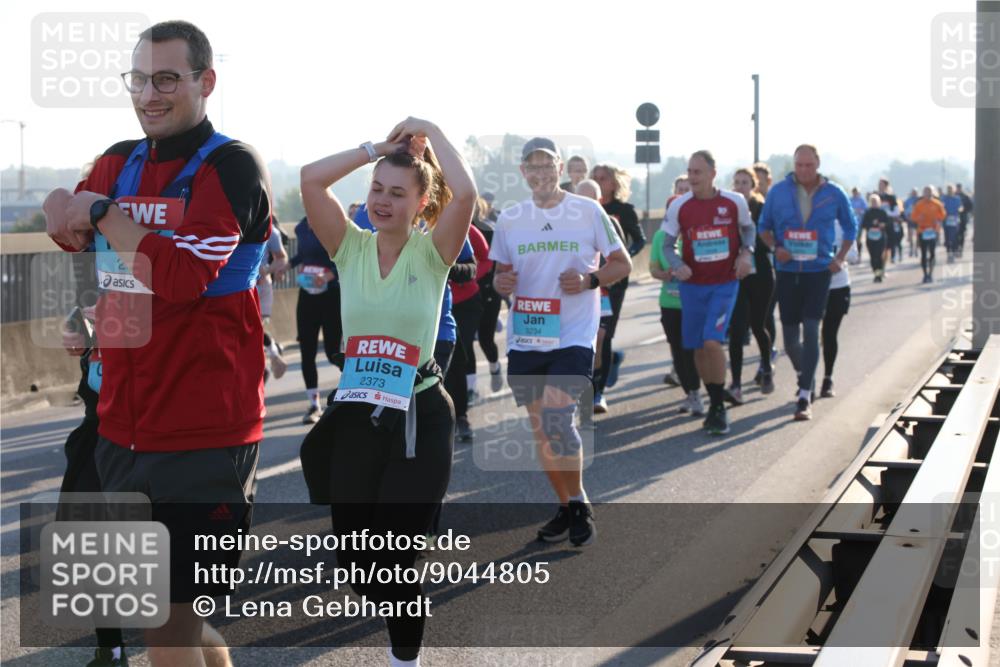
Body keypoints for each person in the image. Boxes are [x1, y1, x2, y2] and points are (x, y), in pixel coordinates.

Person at [43, 20, 268, 667]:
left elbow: (180, 277)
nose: (150, 93)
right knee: (175, 626)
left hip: (204, 438)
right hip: (121, 429)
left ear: (205, 82)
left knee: (166, 626)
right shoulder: (120, 160)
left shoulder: (231, 166)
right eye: (139, 78)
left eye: (167, 78)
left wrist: (101, 213)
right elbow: (80, 238)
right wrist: (69, 211)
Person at [299, 117, 476, 667]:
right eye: (377, 188)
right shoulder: (348, 248)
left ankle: (406, 659)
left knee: (397, 559)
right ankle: (402, 607)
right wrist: (376, 149)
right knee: (356, 561)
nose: (382, 200)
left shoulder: (433, 254)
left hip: (419, 414)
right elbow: (309, 180)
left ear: (422, 205)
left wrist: (428, 128)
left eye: (398, 193)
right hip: (356, 415)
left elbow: (464, 192)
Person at [491, 137, 631, 546]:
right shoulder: (511, 218)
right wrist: (501, 283)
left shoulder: (587, 211)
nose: (539, 173)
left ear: (559, 168)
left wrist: (590, 280)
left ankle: (579, 502)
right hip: (528, 334)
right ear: (523, 173)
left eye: (546, 165)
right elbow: (501, 276)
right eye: (531, 167)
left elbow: (620, 264)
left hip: (572, 333)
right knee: (542, 432)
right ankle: (568, 505)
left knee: (557, 417)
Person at [758, 144, 857, 421]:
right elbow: (763, 227)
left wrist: (840, 257)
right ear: (794, 165)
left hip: (818, 271)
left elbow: (851, 227)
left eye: (809, 165)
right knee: (790, 340)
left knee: (812, 328)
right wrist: (776, 247)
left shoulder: (834, 193)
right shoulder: (778, 191)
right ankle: (808, 376)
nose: (804, 170)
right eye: (799, 165)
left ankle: (803, 396)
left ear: (818, 165)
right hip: (788, 270)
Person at [660, 150, 755, 435]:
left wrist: (746, 253)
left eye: (697, 172)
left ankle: (718, 406)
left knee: (712, 342)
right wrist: (677, 265)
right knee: (698, 347)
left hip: (724, 284)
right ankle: (715, 402)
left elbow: (748, 230)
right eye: (689, 172)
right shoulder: (681, 206)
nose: (692, 178)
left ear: (713, 173)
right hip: (692, 287)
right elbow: (666, 245)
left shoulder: (734, 202)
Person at [591, 162, 645, 413]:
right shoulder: (584, 210)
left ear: (614, 183)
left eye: (604, 178)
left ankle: (597, 393)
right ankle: (608, 361)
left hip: (613, 283)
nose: (600, 182)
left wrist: (623, 259)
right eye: (596, 178)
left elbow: (639, 240)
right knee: (590, 337)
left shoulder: (622, 211)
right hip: (587, 281)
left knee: (603, 335)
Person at [725, 167, 776, 404]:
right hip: (737, 274)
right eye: (736, 182)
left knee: (758, 325)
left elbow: (770, 239)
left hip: (762, 274)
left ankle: (766, 366)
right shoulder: (727, 209)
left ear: (753, 185)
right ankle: (735, 384)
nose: (740, 186)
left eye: (745, 182)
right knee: (736, 330)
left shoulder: (762, 208)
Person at [650, 204, 703, 415]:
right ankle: (690, 393)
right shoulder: (661, 237)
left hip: (693, 302)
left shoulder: (696, 233)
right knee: (678, 351)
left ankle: (698, 393)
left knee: (692, 350)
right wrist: (664, 274)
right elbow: (653, 268)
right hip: (669, 303)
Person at [291, 214, 343, 423]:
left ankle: (356, 391)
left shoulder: (334, 224)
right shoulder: (301, 227)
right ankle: (314, 405)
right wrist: (286, 265)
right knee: (307, 350)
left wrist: (329, 275)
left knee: (333, 353)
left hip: (330, 295)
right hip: (307, 295)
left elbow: (343, 259)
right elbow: (302, 255)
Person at [819, 221, 858, 398]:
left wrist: (838, 257)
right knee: (810, 333)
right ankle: (806, 383)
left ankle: (828, 378)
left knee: (829, 334)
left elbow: (854, 255)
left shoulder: (843, 224)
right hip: (813, 286)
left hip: (838, 286)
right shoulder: (808, 219)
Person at [472, 197, 505, 393]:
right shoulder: (453, 228)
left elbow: (495, 263)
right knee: (464, 343)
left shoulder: (488, 231)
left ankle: (494, 366)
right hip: (466, 295)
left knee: (485, 338)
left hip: (488, 291)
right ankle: (469, 386)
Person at [257, 215, 289, 382]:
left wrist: (267, 270)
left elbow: (282, 257)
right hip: (245, 286)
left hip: (261, 287)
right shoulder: (235, 220)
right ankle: (272, 352)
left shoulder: (271, 230)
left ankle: (269, 356)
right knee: (253, 330)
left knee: (255, 328)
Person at [910, 185, 947, 283]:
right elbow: (913, 217)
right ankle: (925, 274)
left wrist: (937, 219)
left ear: (932, 193)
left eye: (929, 191)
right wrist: (919, 218)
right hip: (922, 231)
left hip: (933, 231)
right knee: (923, 253)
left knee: (932, 253)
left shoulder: (937, 204)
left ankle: (930, 274)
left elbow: (943, 215)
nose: (927, 193)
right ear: (923, 193)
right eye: (925, 191)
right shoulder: (919, 204)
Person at [862, 194, 891, 282]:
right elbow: (863, 224)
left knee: (879, 256)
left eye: (876, 201)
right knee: (873, 257)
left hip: (881, 238)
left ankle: (878, 275)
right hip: (870, 238)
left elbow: (888, 223)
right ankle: (876, 272)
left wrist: (882, 224)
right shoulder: (868, 212)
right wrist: (871, 224)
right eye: (872, 201)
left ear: (879, 202)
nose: (874, 203)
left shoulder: (883, 212)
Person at [941, 184, 963, 262]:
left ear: (953, 190)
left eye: (951, 189)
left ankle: (953, 252)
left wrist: (960, 209)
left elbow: (960, 207)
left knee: (954, 237)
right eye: (948, 189)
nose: (949, 191)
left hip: (954, 219)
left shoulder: (957, 198)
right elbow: (941, 207)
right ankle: (948, 253)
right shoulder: (944, 198)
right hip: (946, 220)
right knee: (947, 238)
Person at [956, 183, 974, 257]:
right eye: (957, 188)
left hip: (963, 217)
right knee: (955, 234)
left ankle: (960, 247)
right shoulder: (953, 195)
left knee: (961, 234)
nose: (958, 189)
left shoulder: (965, 196)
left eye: (959, 188)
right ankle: (956, 248)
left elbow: (970, 206)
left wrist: (964, 210)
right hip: (954, 218)